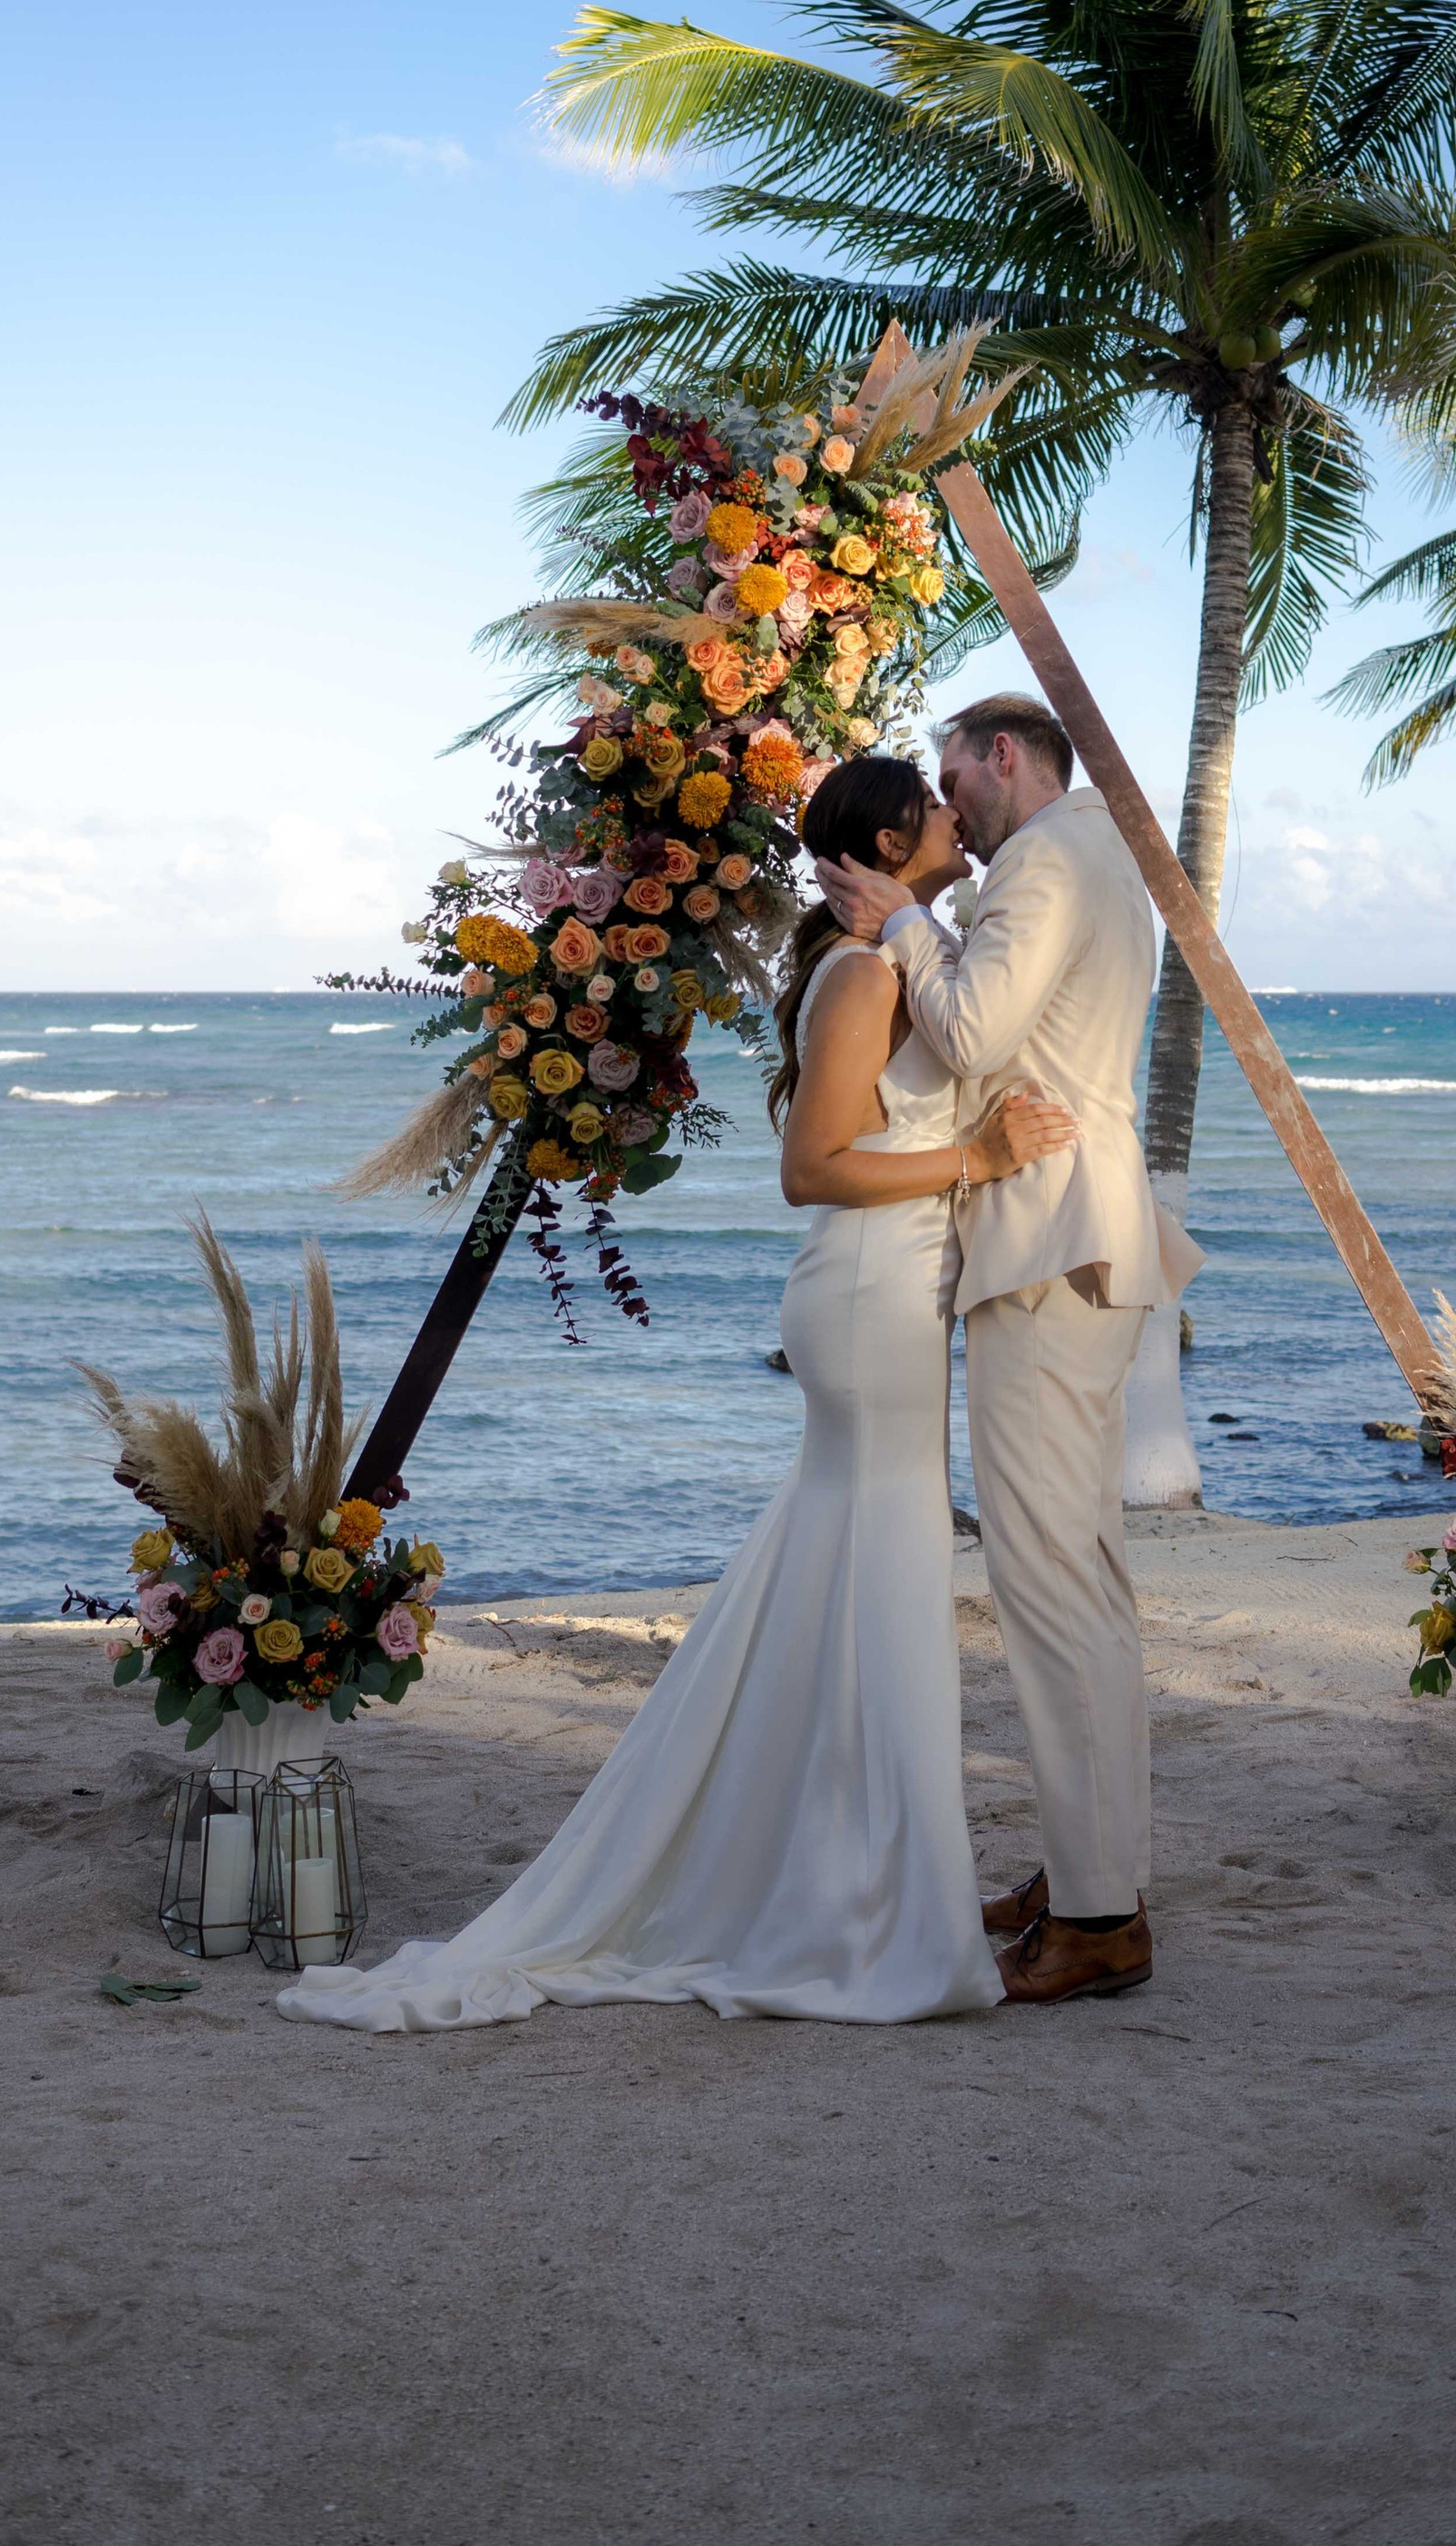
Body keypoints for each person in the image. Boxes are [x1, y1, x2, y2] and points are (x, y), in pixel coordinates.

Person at [276, 750, 1073, 2035]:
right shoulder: (866, 974)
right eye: (929, 809)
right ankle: (865, 1908)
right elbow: (812, 1169)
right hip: (868, 1289)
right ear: (883, 843)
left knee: (852, 1570)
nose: (950, 818)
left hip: (893, 1287)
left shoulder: (895, 957)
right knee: (886, 1565)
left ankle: (846, 1880)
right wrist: (978, 1153)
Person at [817, 693, 1203, 2008]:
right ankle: (1093, 1867)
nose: (952, 812)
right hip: (1082, 1236)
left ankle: (1100, 1914)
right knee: (1078, 1569)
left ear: (1000, 758)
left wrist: (905, 923)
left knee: (1049, 1579)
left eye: (951, 779)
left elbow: (976, 1035)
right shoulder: (1101, 856)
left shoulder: (1047, 856)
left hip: (1048, 1240)